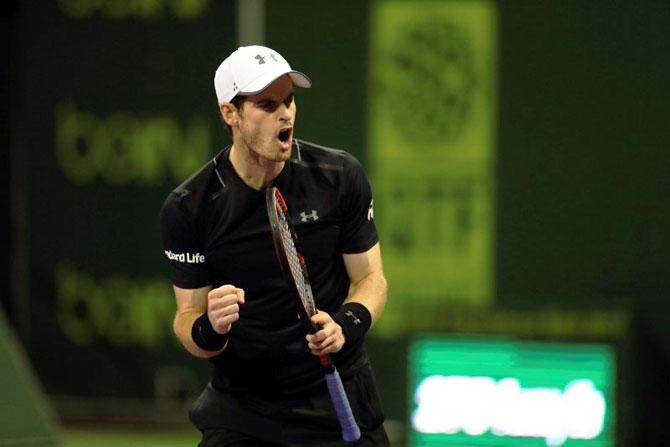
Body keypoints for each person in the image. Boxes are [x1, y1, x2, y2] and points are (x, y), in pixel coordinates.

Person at [159, 45, 389, 446]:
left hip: (339, 401)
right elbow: (187, 319)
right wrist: (209, 326)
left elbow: (371, 278)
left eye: (289, 100)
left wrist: (346, 325)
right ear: (229, 113)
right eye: (267, 104)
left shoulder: (340, 177)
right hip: (245, 411)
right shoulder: (190, 208)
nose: (285, 114)